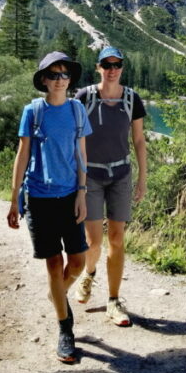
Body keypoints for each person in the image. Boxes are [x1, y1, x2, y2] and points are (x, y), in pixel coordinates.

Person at [7, 51, 91, 364]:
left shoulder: (77, 110)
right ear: (43, 80)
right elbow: (22, 153)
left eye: (64, 74)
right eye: (53, 74)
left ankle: (57, 294)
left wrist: (83, 191)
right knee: (54, 266)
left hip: (70, 196)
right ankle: (65, 328)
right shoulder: (33, 111)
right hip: (39, 198)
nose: (60, 80)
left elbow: (82, 153)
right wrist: (15, 195)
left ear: (70, 79)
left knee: (78, 263)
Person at [72, 46, 147, 327]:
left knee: (116, 238)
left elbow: (139, 141)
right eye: (107, 64)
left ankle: (114, 301)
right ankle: (88, 274)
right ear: (99, 67)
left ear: (122, 68)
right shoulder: (85, 97)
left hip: (120, 175)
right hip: (90, 176)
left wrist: (142, 179)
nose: (112, 69)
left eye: (117, 64)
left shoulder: (132, 99)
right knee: (94, 241)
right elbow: (74, 136)